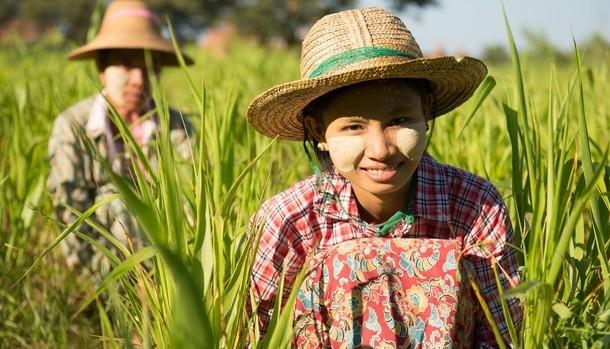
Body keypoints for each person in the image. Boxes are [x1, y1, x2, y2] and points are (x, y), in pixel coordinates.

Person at [245, 7, 523, 348]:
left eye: (399, 120)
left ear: (426, 111)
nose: (380, 149)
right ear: (318, 132)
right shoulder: (288, 221)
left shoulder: (474, 206)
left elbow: (503, 336)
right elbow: (254, 336)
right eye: (353, 127)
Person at [47, 0, 194, 280]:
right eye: (126, 64)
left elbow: (191, 209)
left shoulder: (177, 127)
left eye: (150, 67)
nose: (139, 79)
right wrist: (110, 284)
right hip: (106, 275)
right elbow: (70, 214)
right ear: (102, 68)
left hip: (171, 274)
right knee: (112, 199)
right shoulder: (73, 127)